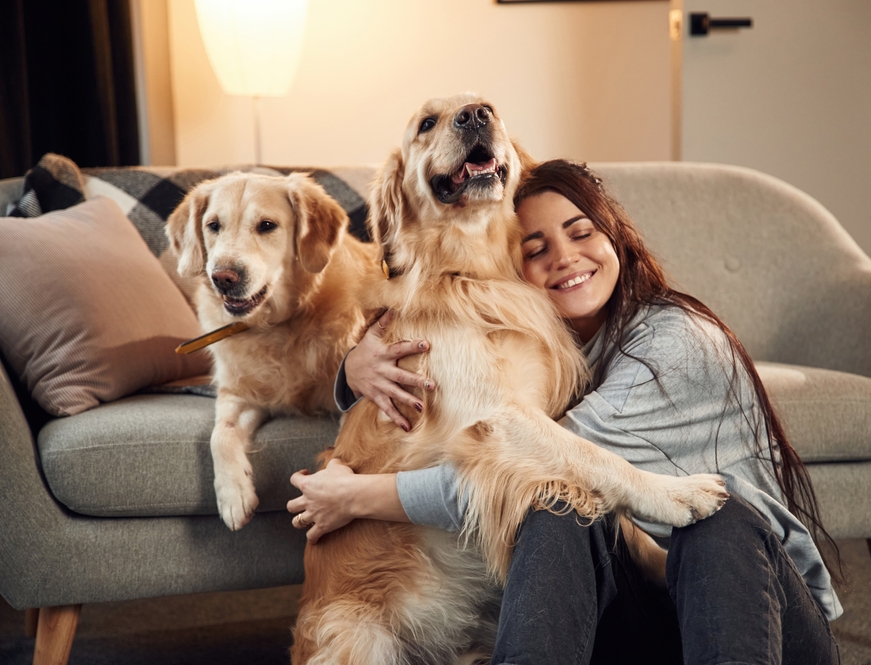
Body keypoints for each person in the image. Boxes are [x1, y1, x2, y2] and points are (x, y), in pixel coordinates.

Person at [287, 159, 842, 664]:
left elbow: (524, 463)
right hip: (648, 612)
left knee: (712, 520)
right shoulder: (557, 344)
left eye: (582, 233)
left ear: (617, 239)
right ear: (510, 264)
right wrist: (354, 368)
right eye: (536, 249)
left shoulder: (676, 344)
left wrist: (358, 497)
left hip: (759, 614)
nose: (565, 258)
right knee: (559, 507)